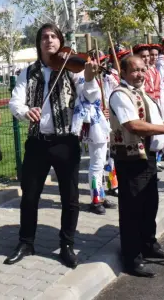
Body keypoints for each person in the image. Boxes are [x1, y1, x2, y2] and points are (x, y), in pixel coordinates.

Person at [5, 23, 99, 269]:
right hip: (37, 142)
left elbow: (91, 97)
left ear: (60, 42)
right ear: (39, 44)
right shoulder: (28, 72)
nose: (49, 41)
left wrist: (89, 79)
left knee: (70, 198)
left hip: (66, 141)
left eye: (53, 37)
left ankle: (67, 244)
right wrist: (26, 111)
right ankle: (26, 242)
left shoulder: (74, 70)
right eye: (44, 37)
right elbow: (15, 102)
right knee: (30, 196)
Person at [109, 55, 164, 277]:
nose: (140, 75)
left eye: (142, 70)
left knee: (149, 204)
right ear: (123, 73)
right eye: (134, 71)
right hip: (131, 159)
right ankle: (131, 257)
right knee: (132, 210)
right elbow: (133, 125)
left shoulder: (140, 93)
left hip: (148, 157)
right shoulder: (120, 94)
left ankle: (148, 244)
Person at [74, 52, 118, 215]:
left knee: (102, 160)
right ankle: (95, 198)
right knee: (97, 162)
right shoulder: (81, 77)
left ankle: (100, 193)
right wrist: (100, 109)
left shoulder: (101, 76)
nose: (98, 63)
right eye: (93, 61)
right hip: (93, 124)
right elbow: (90, 97)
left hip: (100, 121)